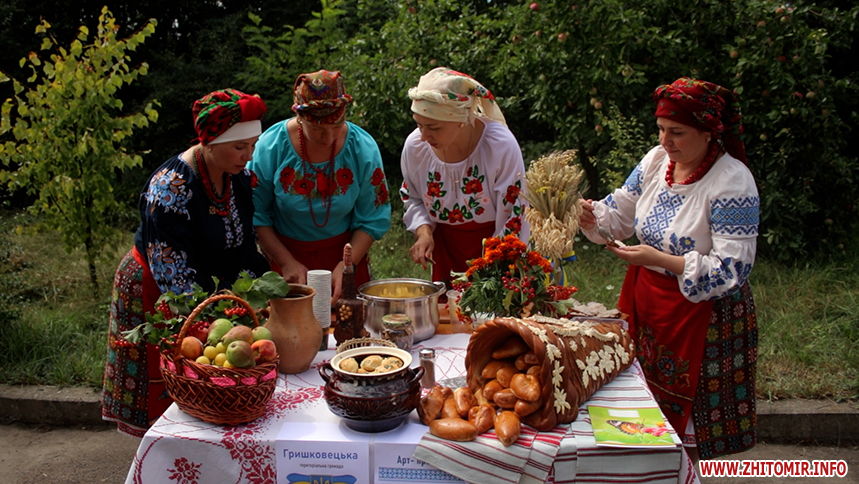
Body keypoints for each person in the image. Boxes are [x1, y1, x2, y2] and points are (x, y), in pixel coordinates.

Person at [579, 77, 759, 461]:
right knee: (636, 409)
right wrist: (592, 215)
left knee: (686, 422)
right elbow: (619, 213)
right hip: (647, 301)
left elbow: (731, 271)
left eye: (677, 132)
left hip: (702, 315)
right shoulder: (656, 161)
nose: (666, 141)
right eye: (661, 129)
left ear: (709, 132)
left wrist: (660, 260)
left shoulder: (733, 182)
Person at [101, 89, 273, 437]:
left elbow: (243, 246)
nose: (249, 155)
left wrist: (260, 293)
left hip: (209, 290)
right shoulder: (170, 188)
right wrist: (219, 316)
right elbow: (175, 278)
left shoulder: (238, 177)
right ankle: (160, 456)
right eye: (240, 146)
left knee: (210, 395)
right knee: (167, 390)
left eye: (253, 145)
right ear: (209, 142)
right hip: (157, 288)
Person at [249, 70, 391, 301]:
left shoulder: (362, 148)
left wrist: (346, 265)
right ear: (299, 117)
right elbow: (256, 213)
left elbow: (372, 217)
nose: (328, 138)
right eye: (317, 129)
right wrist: (286, 262)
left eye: (337, 126)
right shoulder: (271, 146)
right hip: (285, 260)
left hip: (345, 257)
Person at [400, 67, 528, 288]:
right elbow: (413, 196)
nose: (424, 136)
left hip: (496, 253)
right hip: (445, 252)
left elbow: (514, 214)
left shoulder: (499, 146)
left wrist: (492, 270)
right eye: (419, 124)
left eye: (433, 127)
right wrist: (423, 232)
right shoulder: (416, 147)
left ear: (461, 119)